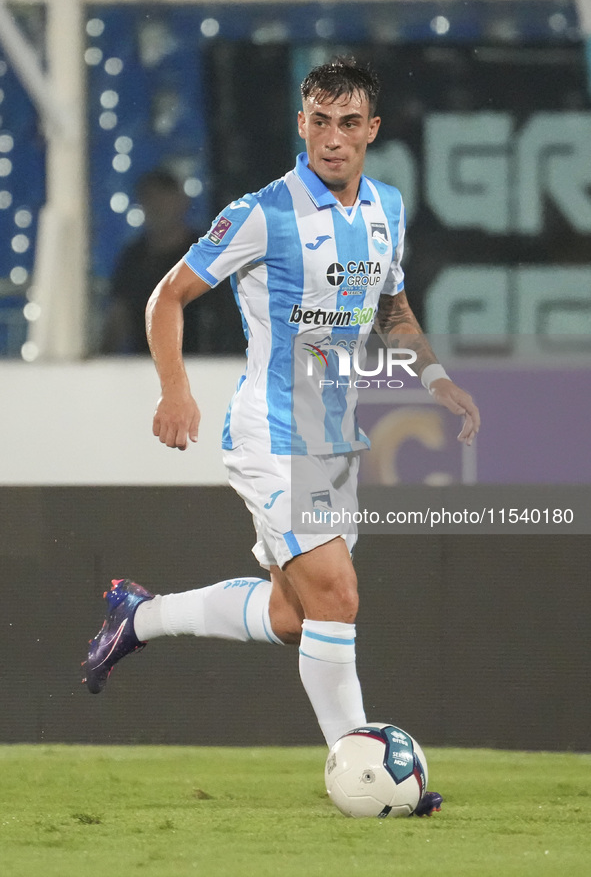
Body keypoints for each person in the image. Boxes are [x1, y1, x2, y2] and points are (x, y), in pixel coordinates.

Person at [84, 58, 479, 816]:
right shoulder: (262, 212)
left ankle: (136, 615)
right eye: (319, 122)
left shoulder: (386, 208)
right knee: (337, 592)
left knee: (296, 615)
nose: (333, 139)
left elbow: (390, 302)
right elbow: (169, 294)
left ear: (371, 130)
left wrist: (434, 380)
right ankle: (367, 779)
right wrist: (174, 388)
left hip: (335, 441)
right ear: (302, 125)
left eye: (348, 123)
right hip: (270, 429)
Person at [100, 169, 244, 355]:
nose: (157, 206)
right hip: (148, 366)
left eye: (164, 198)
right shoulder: (133, 258)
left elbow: (229, 314)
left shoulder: (206, 255)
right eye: (150, 199)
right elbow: (119, 316)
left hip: (205, 365)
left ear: (182, 202)